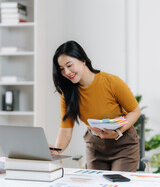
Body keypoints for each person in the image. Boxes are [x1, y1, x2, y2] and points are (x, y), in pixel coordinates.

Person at [51, 40, 141, 172]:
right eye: (62, 69)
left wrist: (117, 132)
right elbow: (65, 130)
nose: (67, 72)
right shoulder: (68, 95)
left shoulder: (112, 82)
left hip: (123, 144)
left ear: (83, 60)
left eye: (69, 65)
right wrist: (55, 151)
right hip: (95, 146)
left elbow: (135, 111)